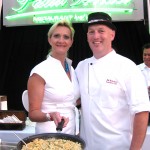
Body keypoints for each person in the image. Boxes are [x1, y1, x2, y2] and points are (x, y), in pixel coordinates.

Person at [75, 12, 150, 150]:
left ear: (112, 35)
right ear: (87, 37)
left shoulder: (127, 67)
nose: (96, 36)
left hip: (118, 147)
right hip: (86, 147)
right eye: (91, 32)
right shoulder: (81, 67)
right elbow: (75, 99)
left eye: (101, 31)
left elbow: (142, 112)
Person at [22, 20, 80, 134]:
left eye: (66, 37)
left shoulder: (71, 69)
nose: (61, 40)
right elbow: (33, 113)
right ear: (49, 39)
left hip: (71, 132)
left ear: (71, 41)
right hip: (49, 133)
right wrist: (50, 115)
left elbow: (71, 100)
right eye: (56, 36)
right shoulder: (39, 71)